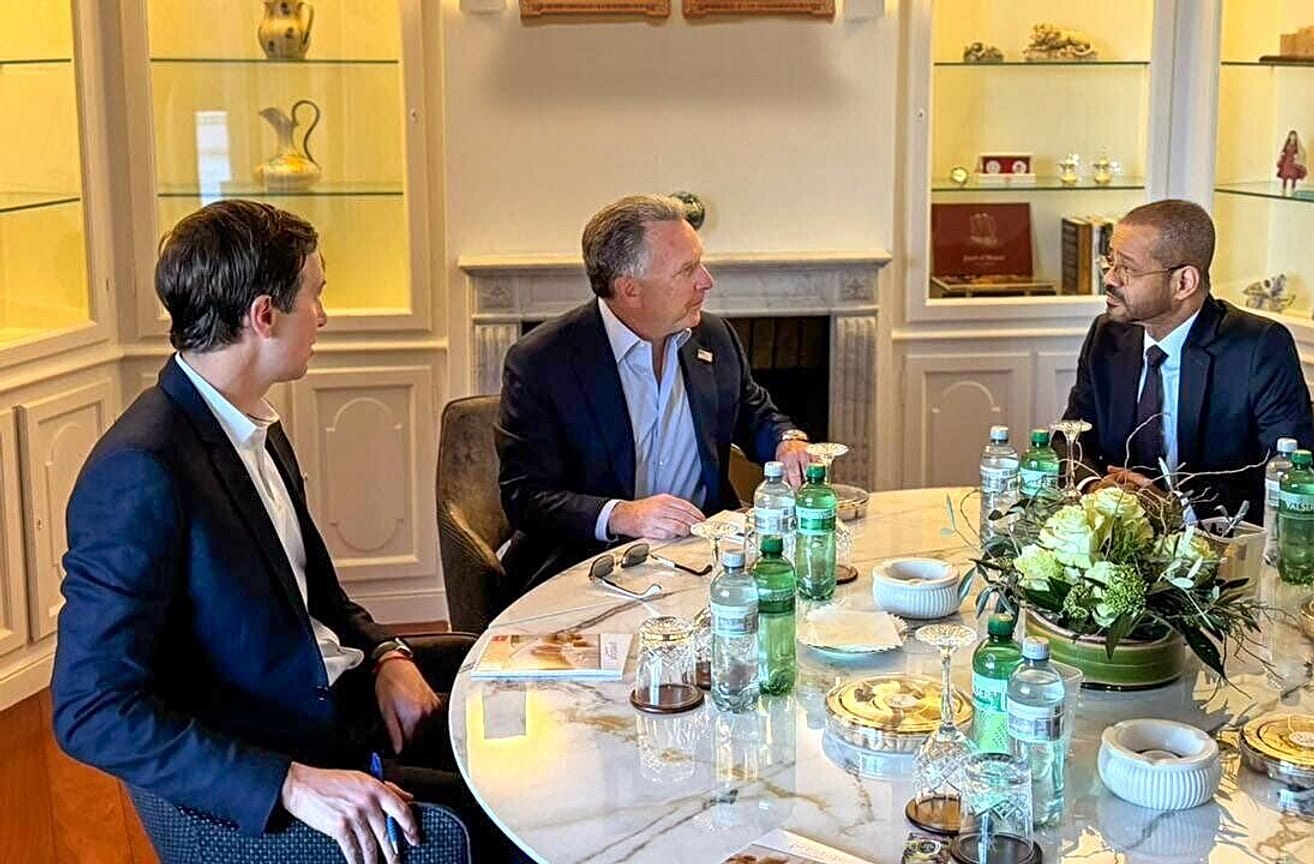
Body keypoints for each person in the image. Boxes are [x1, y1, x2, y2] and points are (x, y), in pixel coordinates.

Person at [51, 200, 520, 864]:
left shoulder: (253, 428)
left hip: (344, 701)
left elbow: (318, 602)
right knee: (526, 823)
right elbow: (88, 709)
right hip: (294, 751)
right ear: (264, 316)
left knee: (531, 716)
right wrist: (290, 785)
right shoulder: (140, 471)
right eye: (316, 296)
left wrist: (387, 654)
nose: (324, 316)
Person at [497, 194, 813, 592]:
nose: (707, 281)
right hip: (591, 569)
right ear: (630, 290)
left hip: (708, 560)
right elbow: (526, 497)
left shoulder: (713, 336)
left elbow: (752, 411)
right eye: (688, 270)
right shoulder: (543, 361)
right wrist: (623, 515)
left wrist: (787, 441)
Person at [1063, 199, 1314, 522]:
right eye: (1110, 262)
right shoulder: (1108, 335)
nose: (1110, 279)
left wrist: (1177, 510)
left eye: (1127, 268)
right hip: (1115, 543)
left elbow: (1290, 477)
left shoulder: (1259, 348)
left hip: (1219, 549)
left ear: (1183, 283)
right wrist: (1094, 488)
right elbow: (1070, 438)